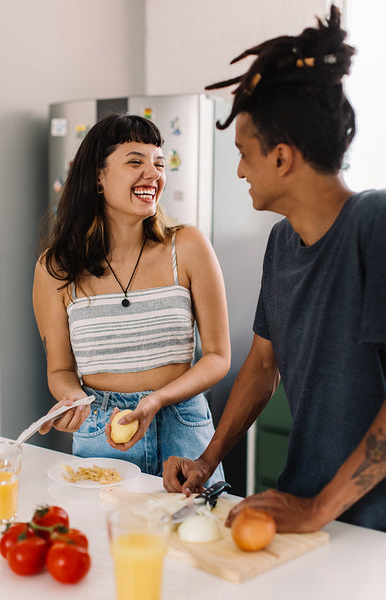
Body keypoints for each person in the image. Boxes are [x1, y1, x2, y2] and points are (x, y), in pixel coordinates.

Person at [163, 5, 386, 532]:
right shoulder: (282, 242)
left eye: (245, 153)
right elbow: (263, 365)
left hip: (369, 527)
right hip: (300, 505)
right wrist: (207, 460)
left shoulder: (373, 225)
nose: (238, 169)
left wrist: (319, 509)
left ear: (282, 158)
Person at [33, 114, 230, 484]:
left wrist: (156, 400)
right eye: (135, 161)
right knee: (107, 538)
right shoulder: (55, 268)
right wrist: (73, 398)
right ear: (98, 176)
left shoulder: (188, 247)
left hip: (183, 426)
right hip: (103, 433)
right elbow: (60, 370)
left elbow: (219, 356)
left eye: (158, 163)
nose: (153, 174)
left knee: (196, 538)